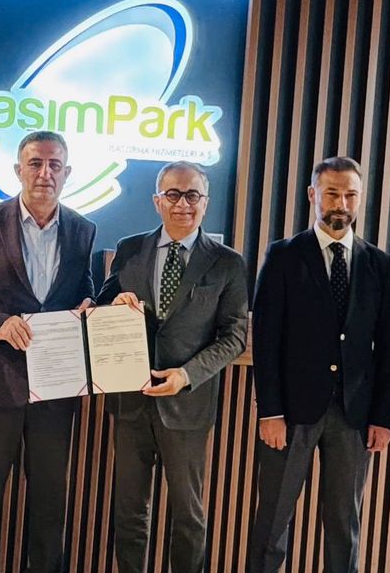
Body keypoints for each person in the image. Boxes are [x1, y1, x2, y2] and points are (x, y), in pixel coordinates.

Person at [0, 130, 96, 573]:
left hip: (57, 385)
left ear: (67, 174)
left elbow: (83, 288)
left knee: (50, 495)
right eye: (35, 163)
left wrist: (88, 306)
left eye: (55, 165)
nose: (45, 173)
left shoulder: (83, 230)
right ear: (18, 170)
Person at [248, 156, 390, 573]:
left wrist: (383, 417)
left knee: (343, 524)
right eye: (332, 193)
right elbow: (266, 341)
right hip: (291, 414)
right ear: (313, 194)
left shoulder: (379, 263)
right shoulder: (283, 255)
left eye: (350, 195)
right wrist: (270, 412)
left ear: (360, 199)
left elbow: (388, 347)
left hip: (354, 415)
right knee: (273, 520)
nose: (341, 203)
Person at [96, 161, 249, 573]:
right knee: (129, 512)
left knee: (188, 515)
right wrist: (114, 304)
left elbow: (234, 336)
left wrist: (186, 375)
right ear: (157, 201)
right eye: (173, 194)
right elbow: (101, 304)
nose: (183, 204)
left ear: (206, 201)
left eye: (192, 195)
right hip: (130, 401)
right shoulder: (129, 249)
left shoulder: (227, 263)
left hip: (187, 405)